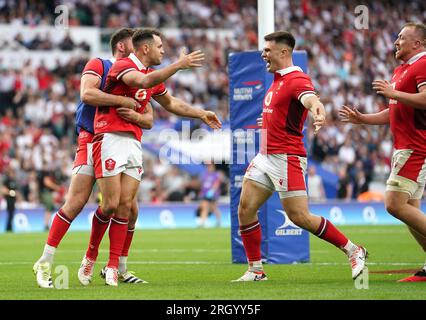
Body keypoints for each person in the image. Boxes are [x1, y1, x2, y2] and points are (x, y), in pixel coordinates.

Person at [82, 28, 221, 286]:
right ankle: (90, 257)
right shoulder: (123, 66)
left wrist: (201, 113)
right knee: (110, 204)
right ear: (145, 48)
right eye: (159, 46)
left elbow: (171, 104)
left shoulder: (152, 75)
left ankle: (113, 266)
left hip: (134, 143)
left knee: (126, 206)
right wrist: (178, 65)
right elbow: (141, 82)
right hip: (109, 137)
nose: (163, 51)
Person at [232, 31, 367, 282]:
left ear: (284, 52)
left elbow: (312, 100)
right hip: (265, 156)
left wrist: (319, 112)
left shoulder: (297, 79)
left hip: (287, 157)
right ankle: (256, 270)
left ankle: (353, 250)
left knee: (299, 217)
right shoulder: (277, 80)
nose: (263, 54)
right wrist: (268, 122)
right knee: (245, 209)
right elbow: (283, 112)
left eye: (267, 50)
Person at [33, 28, 154, 288]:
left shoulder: (138, 75)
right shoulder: (100, 64)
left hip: (124, 141)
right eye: (135, 42)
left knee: (130, 208)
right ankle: (45, 261)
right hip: (93, 138)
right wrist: (123, 103)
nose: (142, 47)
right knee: (76, 202)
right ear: (122, 45)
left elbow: (153, 113)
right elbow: (87, 94)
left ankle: (119, 267)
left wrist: (139, 115)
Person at [339, 22, 426, 282]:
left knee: (393, 204)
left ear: (418, 43)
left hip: (415, 148)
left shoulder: (422, 64)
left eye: (401, 37)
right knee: (410, 209)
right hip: (405, 147)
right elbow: (396, 110)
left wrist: (393, 92)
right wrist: (364, 119)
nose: (396, 42)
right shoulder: (402, 70)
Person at [2, 165, 17, 232]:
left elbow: (16, 190)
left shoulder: (14, 180)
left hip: (13, 200)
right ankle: (8, 228)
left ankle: (10, 227)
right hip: (8, 199)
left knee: (12, 214)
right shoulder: (7, 180)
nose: (12, 174)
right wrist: (10, 192)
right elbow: (3, 189)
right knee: (9, 214)